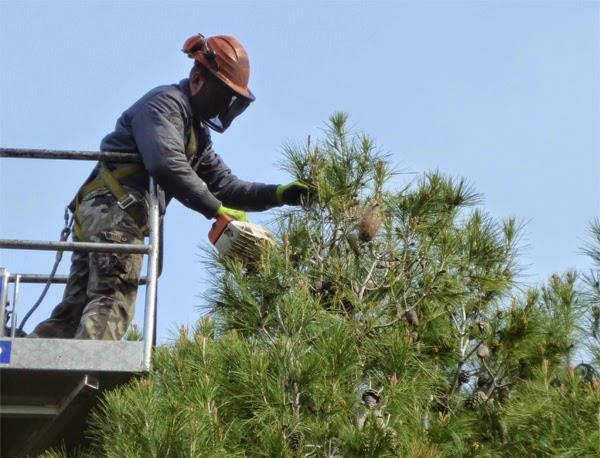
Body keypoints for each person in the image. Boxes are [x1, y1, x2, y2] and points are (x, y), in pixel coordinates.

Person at [29, 34, 309, 340]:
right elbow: (166, 163)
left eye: (230, 100)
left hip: (107, 212)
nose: (222, 105)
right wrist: (215, 210)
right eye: (221, 94)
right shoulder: (165, 106)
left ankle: (26, 368)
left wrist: (279, 194)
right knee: (113, 299)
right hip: (113, 211)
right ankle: (89, 380)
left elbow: (226, 186)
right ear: (197, 79)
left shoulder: (195, 134)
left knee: (74, 311)